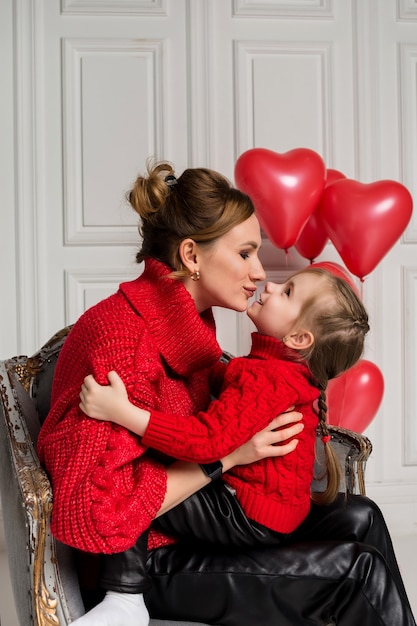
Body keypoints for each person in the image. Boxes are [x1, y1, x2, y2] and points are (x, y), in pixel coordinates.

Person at [37, 160, 416, 626]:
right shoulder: (123, 338)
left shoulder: (191, 329)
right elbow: (106, 505)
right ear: (193, 256)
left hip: (214, 519)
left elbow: (229, 402)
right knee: (358, 573)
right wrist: (227, 458)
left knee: (363, 517)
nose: (259, 273)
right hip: (148, 561)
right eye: (245, 254)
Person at [79, 266, 369, 548]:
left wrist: (123, 413)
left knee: (129, 486)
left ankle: (124, 590)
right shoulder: (275, 370)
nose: (270, 286)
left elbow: (206, 440)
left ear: (299, 338)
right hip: (270, 513)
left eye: (287, 292)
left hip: (246, 514)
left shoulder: (270, 378)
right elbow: (224, 379)